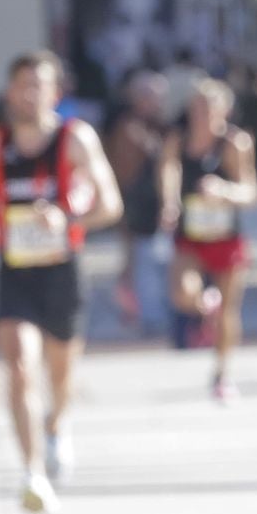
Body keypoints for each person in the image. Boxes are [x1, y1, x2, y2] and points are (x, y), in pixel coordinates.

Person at [0, 52, 124, 513]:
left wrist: (67, 216)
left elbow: (110, 204)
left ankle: (58, 424)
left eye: (39, 85)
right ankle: (33, 473)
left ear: (55, 92)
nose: (30, 93)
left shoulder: (74, 139)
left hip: (62, 269)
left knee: (61, 374)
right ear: (9, 91)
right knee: (19, 366)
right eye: (22, 84)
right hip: (15, 269)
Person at [160, 79, 257, 399]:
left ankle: (222, 373)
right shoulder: (178, 140)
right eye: (197, 108)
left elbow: (251, 193)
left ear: (224, 110)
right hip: (191, 237)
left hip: (227, 237)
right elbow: (168, 172)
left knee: (230, 310)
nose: (202, 115)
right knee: (181, 293)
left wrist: (223, 191)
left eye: (209, 108)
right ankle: (204, 304)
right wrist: (170, 203)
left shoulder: (235, 143)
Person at [106, 69, 171, 333]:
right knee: (139, 261)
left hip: (157, 205)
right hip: (136, 207)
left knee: (157, 261)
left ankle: (151, 311)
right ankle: (146, 315)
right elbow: (122, 169)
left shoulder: (163, 126)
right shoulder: (125, 126)